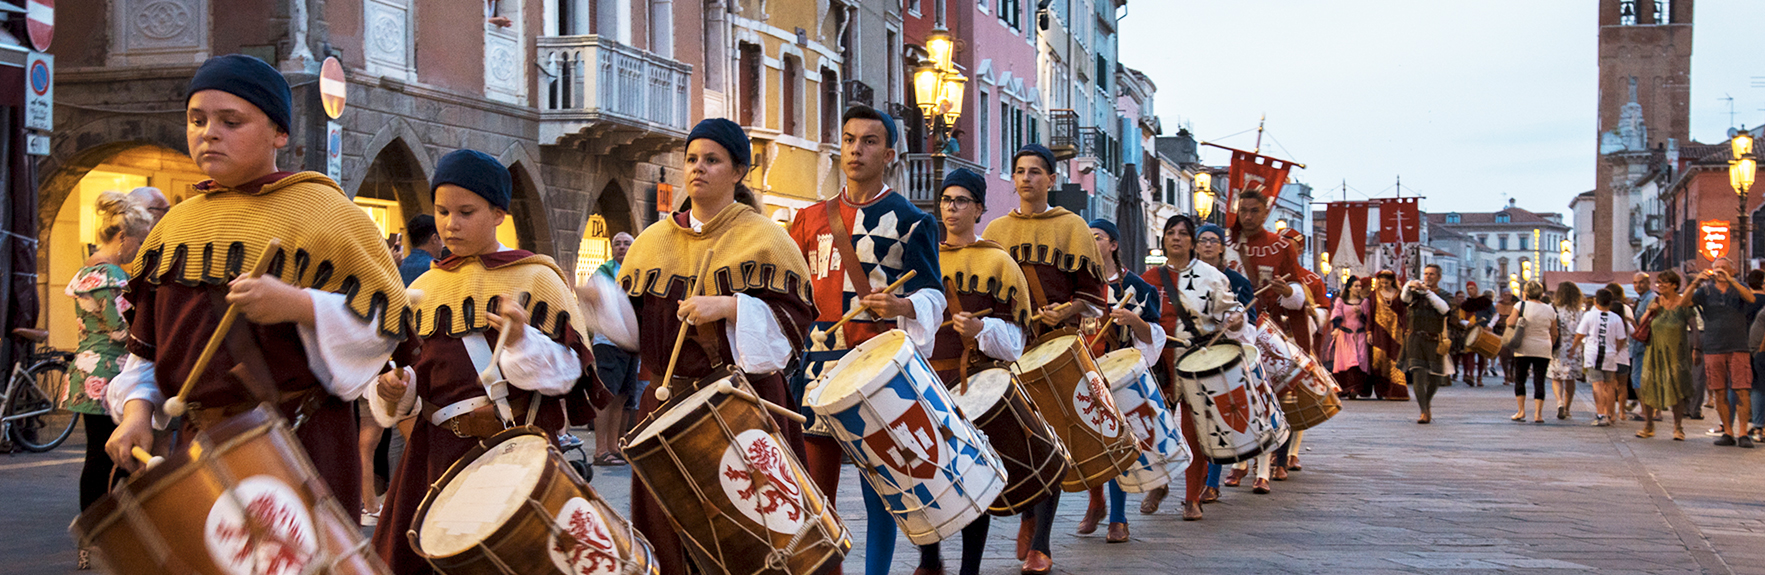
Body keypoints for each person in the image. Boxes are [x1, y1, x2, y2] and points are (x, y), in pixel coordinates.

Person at [103, 56, 411, 524]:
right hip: (198, 450)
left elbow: (383, 327)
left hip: (298, 445)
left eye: (232, 121)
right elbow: (148, 352)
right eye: (197, 119)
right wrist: (136, 412)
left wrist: (301, 305)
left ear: (279, 134)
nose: (209, 132)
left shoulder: (327, 212)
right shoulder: (175, 227)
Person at [587, 118, 816, 575]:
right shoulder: (652, 241)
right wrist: (602, 307)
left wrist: (732, 307)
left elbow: (792, 334)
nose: (698, 169)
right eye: (692, 159)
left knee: (758, 538)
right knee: (674, 537)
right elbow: (636, 336)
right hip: (667, 405)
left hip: (745, 403)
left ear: (738, 171)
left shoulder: (768, 239)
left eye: (712, 160)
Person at [368, 150, 599, 575]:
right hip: (436, 456)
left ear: (497, 213)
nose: (450, 223)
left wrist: (519, 342)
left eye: (466, 211)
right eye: (442, 211)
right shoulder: (424, 286)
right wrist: (397, 390)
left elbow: (567, 374)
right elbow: (423, 373)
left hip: (514, 456)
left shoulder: (537, 277)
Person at [789, 105, 944, 575]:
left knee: (883, 492)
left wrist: (901, 306)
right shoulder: (808, 220)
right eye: (851, 139)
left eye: (870, 141)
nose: (857, 149)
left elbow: (934, 296)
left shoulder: (913, 220)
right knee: (817, 492)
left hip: (877, 374)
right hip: (817, 371)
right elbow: (791, 295)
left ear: (890, 153)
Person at [983, 143, 1108, 575]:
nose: (1026, 178)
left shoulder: (1072, 226)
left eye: (1036, 172)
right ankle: (1028, 513)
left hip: (1056, 349)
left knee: (1054, 439)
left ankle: (1041, 542)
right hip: (1010, 350)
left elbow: (1093, 296)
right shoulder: (996, 230)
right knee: (1021, 438)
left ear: (1051, 180)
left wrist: (1068, 310)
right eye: (1020, 171)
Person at [914, 168, 1031, 575]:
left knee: (971, 478)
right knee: (923, 473)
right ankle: (930, 558)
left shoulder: (998, 261)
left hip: (974, 385)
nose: (951, 208)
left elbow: (1016, 340)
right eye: (947, 200)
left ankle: (969, 569)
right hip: (927, 381)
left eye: (962, 200)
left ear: (979, 208)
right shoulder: (924, 256)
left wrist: (982, 329)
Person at [66, 192, 152, 570]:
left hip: (85, 369)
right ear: (122, 237)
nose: (137, 249)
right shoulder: (113, 275)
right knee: (110, 458)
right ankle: (101, 537)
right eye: (137, 241)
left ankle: (91, 540)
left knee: (95, 456)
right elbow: (123, 330)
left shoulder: (85, 271)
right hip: (109, 375)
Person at [1143, 214, 1249, 523]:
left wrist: (1235, 318)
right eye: (1170, 233)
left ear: (1192, 241)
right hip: (1159, 363)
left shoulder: (1210, 276)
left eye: (1182, 233)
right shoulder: (1149, 278)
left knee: (1193, 433)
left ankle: (1192, 498)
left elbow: (1232, 309)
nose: (1176, 238)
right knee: (1156, 431)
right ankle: (1159, 483)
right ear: (1163, 239)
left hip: (1196, 361)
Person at [1077, 218, 1164, 543]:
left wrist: (1133, 320)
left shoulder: (1138, 288)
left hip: (1119, 376)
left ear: (1113, 244)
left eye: (1096, 237)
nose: (1090, 242)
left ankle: (1118, 517)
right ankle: (1096, 503)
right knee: (1089, 445)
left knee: (1118, 444)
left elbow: (1154, 338)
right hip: (1083, 374)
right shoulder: (1077, 285)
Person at [1222, 188, 1314, 491]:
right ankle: (1240, 460)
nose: (1247, 217)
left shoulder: (1281, 246)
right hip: (1232, 329)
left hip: (1267, 329)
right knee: (1237, 396)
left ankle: (1276, 456)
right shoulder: (1225, 242)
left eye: (1254, 211)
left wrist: (1287, 292)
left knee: (1270, 397)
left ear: (1265, 213)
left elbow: (1298, 292)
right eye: (1243, 210)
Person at [1192, 223, 1252, 501]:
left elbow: (1246, 322)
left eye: (1212, 240)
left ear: (1221, 246)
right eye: (1202, 240)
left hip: (1222, 355)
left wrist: (1238, 319)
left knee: (1215, 419)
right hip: (1192, 354)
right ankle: (1198, 479)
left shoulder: (1237, 282)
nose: (1207, 245)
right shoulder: (1185, 277)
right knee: (1192, 423)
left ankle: (1212, 482)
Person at [1688, 259, 1756, 447]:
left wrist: (1731, 281)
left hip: (1738, 346)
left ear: (1733, 271)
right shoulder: (1705, 291)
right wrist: (1695, 282)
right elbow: (1683, 303)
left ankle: (1743, 433)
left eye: (1724, 268)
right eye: (1717, 268)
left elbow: (1751, 299)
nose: (1720, 271)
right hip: (1713, 346)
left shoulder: (1739, 287)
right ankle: (1727, 431)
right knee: (1719, 390)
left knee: (1742, 389)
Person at [588, 231, 640, 466]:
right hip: (608, 343)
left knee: (622, 397)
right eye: (617, 244)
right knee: (606, 397)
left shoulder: (637, 271)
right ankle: (600, 451)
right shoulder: (603, 273)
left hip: (629, 344)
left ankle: (614, 447)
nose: (621, 247)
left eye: (626, 243)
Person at [1639, 270, 1695, 440]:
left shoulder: (1684, 304)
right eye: (1659, 282)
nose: (1660, 285)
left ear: (1674, 285)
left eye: (1664, 282)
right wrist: (1650, 312)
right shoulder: (1655, 302)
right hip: (1654, 351)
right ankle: (1649, 426)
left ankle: (1678, 427)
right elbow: (1641, 324)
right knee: (1648, 388)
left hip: (1676, 354)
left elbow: (1694, 327)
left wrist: (1696, 349)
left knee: (1676, 389)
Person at [1401, 264, 1454, 424]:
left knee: (1435, 377)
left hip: (1434, 339)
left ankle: (1427, 402)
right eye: (1425, 273)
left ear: (1438, 277)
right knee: (1418, 372)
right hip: (1415, 338)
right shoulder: (1414, 294)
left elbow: (1444, 309)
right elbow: (1404, 298)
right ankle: (1423, 410)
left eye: (1431, 274)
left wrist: (1427, 292)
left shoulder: (1444, 294)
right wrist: (1408, 284)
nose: (1428, 277)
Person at [1574, 288, 1629, 427]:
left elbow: (1580, 334)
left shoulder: (1589, 316)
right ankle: (1610, 414)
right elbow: (1621, 338)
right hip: (1610, 354)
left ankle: (1600, 414)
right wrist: (1615, 349)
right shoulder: (1616, 318)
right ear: (1610, 302)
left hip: (1593, 353)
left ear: (1595, 301)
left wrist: (1573, 348)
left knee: (1597, 384)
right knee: (1609, 385)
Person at [1508, 281, 1556, 423]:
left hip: (1523, 346)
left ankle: (1521, 411)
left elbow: (1510, 322)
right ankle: (1538, 414)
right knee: (1539, 380)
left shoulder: (1520, 305)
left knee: (1520, 378)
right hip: (1543, 347)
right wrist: (1549, 344)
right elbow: (1554, 333)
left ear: (1526, 292)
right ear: (1541, 294)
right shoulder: (1550, 309)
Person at [1368, 270, 1411, 401]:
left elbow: (1403, 313)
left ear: (1392, 281)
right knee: (1378, 359)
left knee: (1395, 360)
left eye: (1386, 282)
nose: (1383, 285)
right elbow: (1371, 312)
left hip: (1395, 332)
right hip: (1379, 331)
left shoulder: (1399, 295)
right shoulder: (1374, 294)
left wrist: (1406, 330)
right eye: (1381, 282)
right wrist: (1368, 331)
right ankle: (1381, 390)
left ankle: (1397, 390)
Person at [1330, 276, 1372, 401]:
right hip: (1345, 335)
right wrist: (1336, 328)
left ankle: (1358, 388)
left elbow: (1368, 320)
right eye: (1356, 286)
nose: (1359, 288)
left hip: (1360, 335)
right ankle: (1348, 388)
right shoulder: (1341, 301)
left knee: (1361, 359)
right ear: (1349, 288)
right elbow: (1337, 315)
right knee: (1348, 361)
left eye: (1360, 286)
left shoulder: (1365, 302)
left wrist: (1361, 314)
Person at [1547, 282, 1586, 420]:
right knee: (1570, 379)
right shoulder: (1579, 312)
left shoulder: (1552, 309)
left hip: (1557, 347)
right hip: (1573, 348)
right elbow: (1582, 332)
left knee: (1556, 377)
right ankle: (1568, 408)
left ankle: (1559, 402)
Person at [1630, 272, 1656, 420]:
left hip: (1644, 345)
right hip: (1638, 344)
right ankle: (1647, 410)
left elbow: (1645, 323)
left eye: (1640, 282)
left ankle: (1646, 411)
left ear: (1648, 283)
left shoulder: (1650, 299)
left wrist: (1631, 322)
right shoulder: (1640, 300)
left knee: (1639, 379)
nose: (1637, 285)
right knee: (1640, 378)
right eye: (1635, 282)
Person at [399, 214, 442, 286]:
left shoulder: (399, 267)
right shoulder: (437, 268)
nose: (442, 245)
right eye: (441, 238)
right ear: (434, 238)